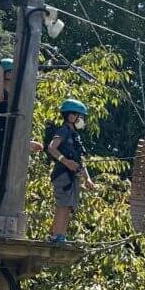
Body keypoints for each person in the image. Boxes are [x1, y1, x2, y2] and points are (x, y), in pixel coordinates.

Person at [0, 56, 43, 231]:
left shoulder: (15, 99)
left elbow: (12, 129)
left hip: (9, 148)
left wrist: (26, 143)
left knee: (5, 190)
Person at [46, 98, 96, 243]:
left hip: (72, 176)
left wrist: (88, 179)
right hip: (62, 174)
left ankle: (60, 235)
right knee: (63, 204)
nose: (82, 120)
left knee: (69, 206)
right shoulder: (64, 131)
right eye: (80, 116)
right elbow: (51, 147)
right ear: (71, 116)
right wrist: (65, 161)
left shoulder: (75, 136)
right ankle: (56, 236)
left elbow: (80, 160)